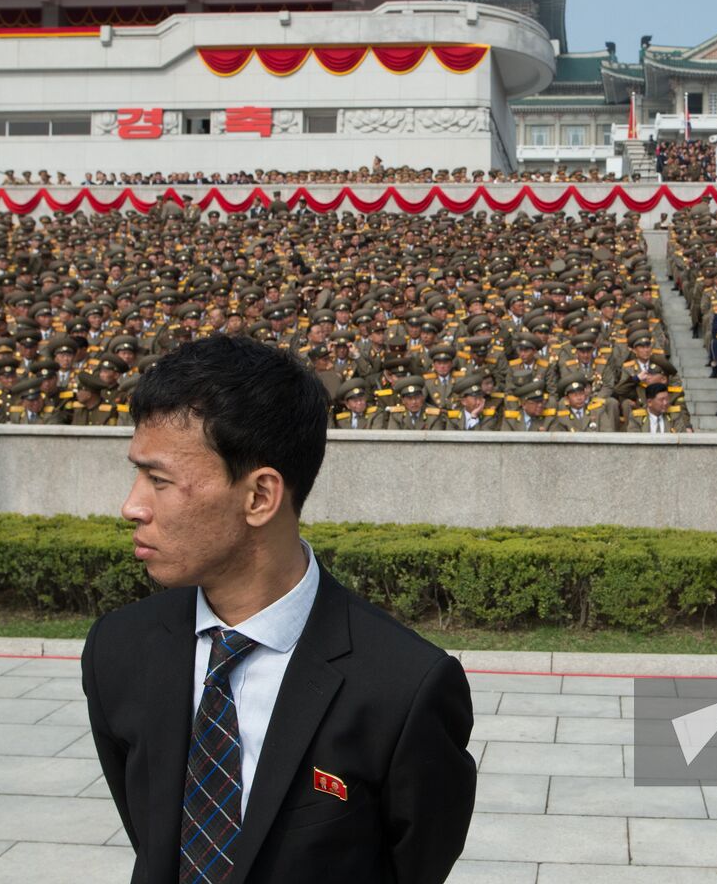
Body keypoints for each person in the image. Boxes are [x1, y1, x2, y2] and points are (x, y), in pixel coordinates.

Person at [81, 336, 475, 884]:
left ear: (260, 496)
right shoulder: (118, 650)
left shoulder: (403, 688)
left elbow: (415, 863)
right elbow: (152, 837)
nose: (132, 506)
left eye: (159, 480)